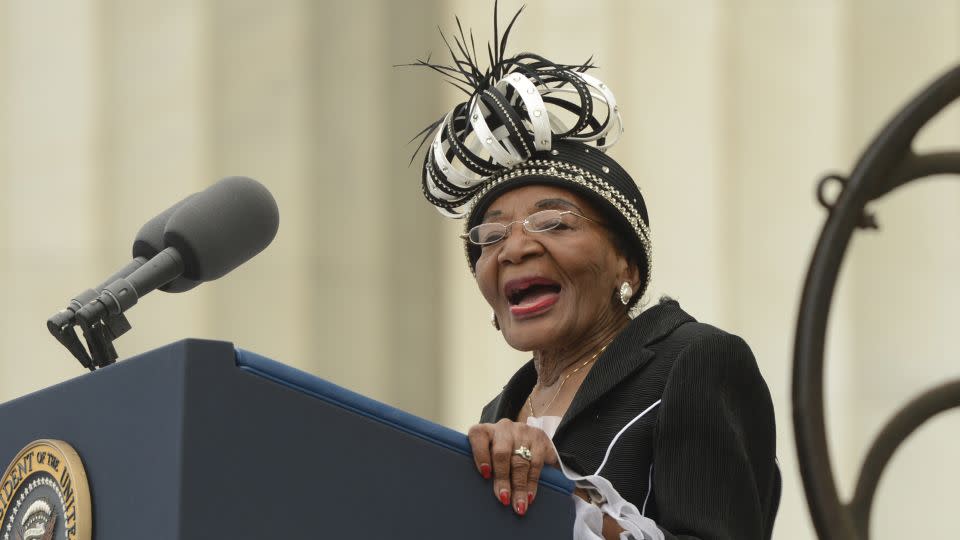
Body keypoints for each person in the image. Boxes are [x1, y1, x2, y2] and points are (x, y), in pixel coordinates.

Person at [412, 6, 779, 538]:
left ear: (625, 264)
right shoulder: (500, 413)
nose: (513, 248)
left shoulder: (694, 361)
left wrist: (570, 501)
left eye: (554, 223)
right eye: (490, 238)